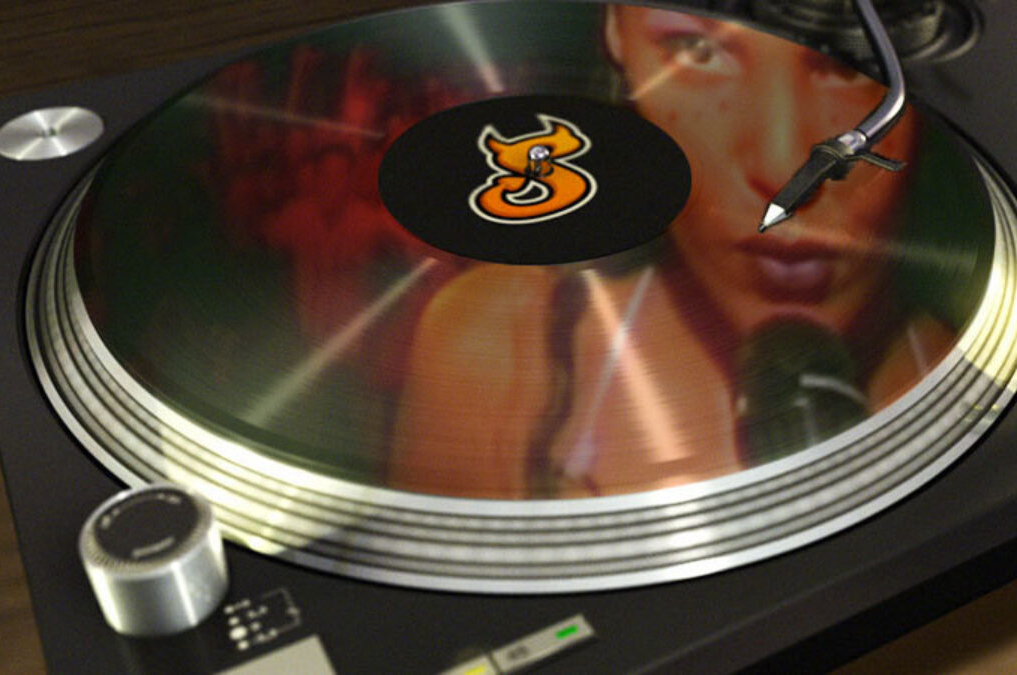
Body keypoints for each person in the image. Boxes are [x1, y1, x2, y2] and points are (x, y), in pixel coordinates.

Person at [387, 6, 963, 499]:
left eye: (850, 61)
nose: (783, 165)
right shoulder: (500, 348)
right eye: (697, 50)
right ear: (617, 37)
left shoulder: (978, 382)